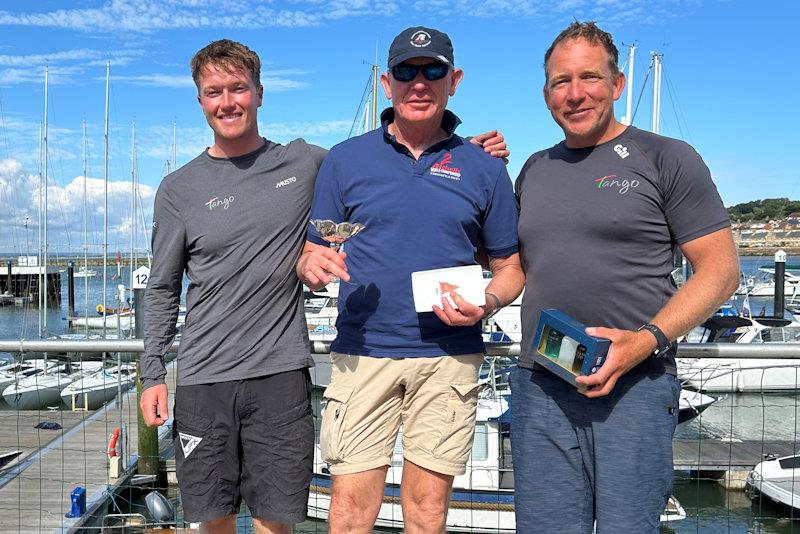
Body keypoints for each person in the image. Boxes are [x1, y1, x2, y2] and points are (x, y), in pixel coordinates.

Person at [139, 39, 510, 534]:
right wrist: (152, 371)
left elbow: (496, 251)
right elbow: (162, 287)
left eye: (238, 88)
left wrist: (474, 154)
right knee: (216, 520)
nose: (227, 101)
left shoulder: (309, 162)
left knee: (282, 521)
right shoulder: (182, 188)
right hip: (210, 374)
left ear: (259, 93)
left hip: (285, 371)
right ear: (201, 100)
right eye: (214, 91)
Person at [511, 21, 740, 533]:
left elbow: (721, 271)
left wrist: (645, 341)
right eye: (559, 81)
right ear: (545, 92)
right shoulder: (533, 168)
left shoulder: (667, 158)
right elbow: (509, 264)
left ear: (616, 84)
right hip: (540, 383)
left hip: (635, 386)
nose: (574, 94)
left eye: (589, 78)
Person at [296, 26, 525, 534]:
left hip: (449, 357)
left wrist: (486, 303)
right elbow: (313, 252)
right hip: (363, 353)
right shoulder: (345, 158)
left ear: (454, 80)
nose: (418, 83)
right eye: (405, 72)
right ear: (386, 82)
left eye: (433, 71)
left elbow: (511, 269)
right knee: (349, 513)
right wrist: (311, 267)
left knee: (427, 512)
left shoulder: (484, 168)